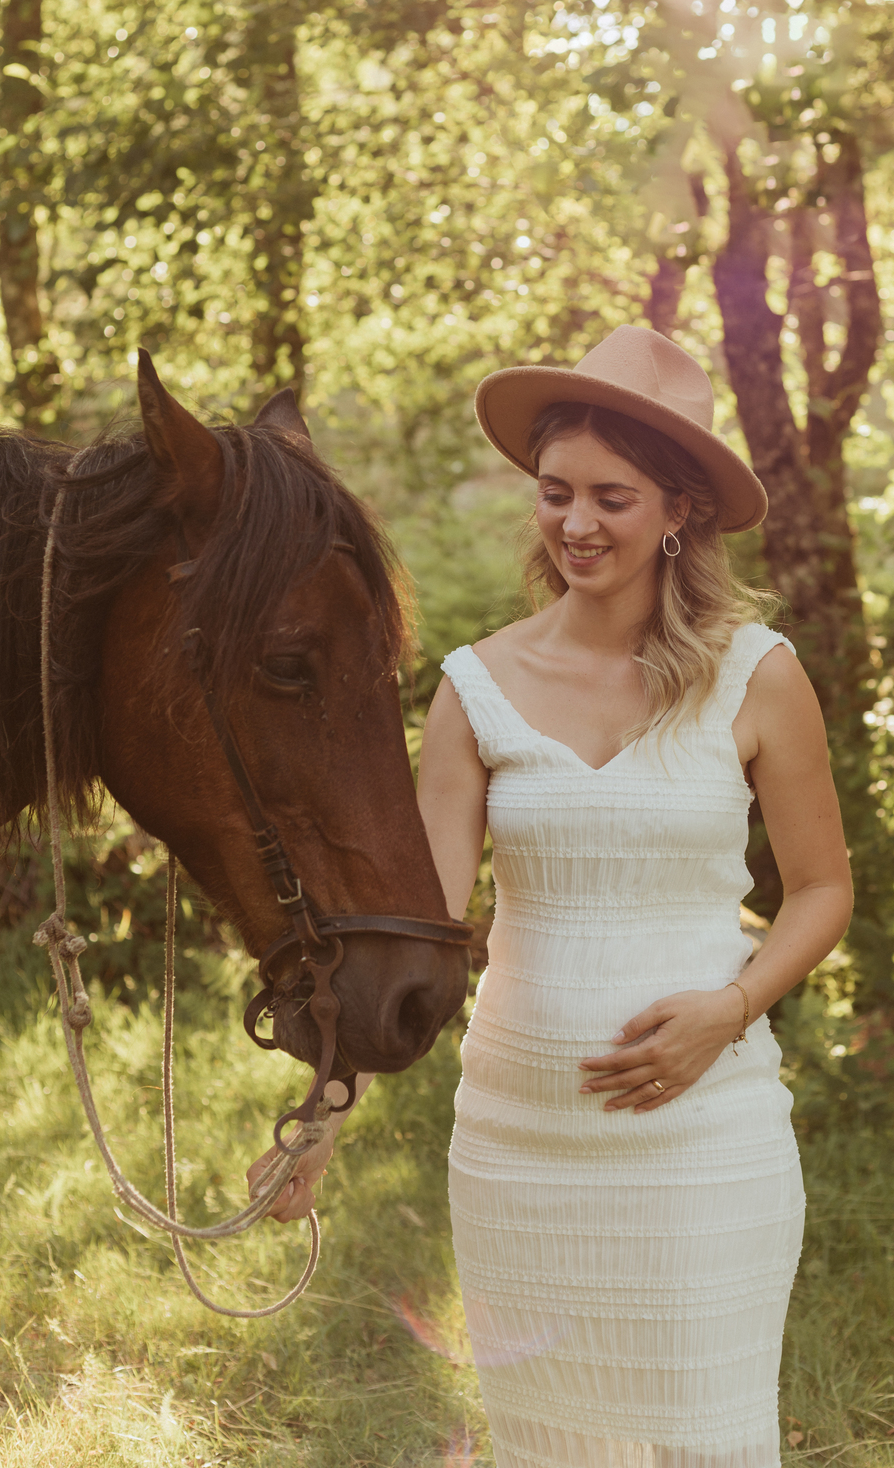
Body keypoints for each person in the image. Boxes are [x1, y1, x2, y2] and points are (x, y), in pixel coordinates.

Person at [250, 324, 853, 1468]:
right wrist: (324, 1106)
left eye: (612, 498)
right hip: (517, 1150)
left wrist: (729, 1010)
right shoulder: (476, 687)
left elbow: (823, 890)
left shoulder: (758, 675)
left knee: (706, 1444)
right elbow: (415, 929)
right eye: (555, 492)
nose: (576, 523)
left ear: (680, 510)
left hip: (704, 1148)